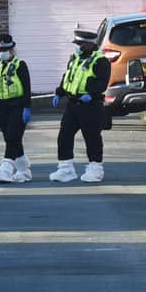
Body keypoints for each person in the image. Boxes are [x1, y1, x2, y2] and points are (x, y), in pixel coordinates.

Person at [49, 29, 111, 182]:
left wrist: (92, 94)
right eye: (76, 43)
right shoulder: (75, 59)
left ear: (90, 44)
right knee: (64, 136)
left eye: (80, 44)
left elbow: (103, 82)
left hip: (90, 105)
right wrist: (59, 92)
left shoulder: (100, 60)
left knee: (91, 137)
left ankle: (96, 169)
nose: (77, 47)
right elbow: (68, 77)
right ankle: (66, 169)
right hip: (73, 104)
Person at [0, 34, 32, 183]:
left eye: (5, 49)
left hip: (18, 106)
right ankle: (24, 171)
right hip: (3, 108)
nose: (2, 52)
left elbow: (26, 87)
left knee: (12, 137)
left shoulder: (20, 65)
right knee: (11, 138)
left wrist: (27, 107)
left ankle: (5, 170)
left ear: (11, 49)